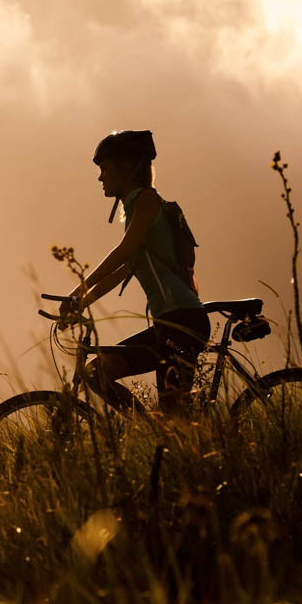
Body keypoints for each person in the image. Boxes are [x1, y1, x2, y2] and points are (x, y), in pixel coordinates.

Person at [60, 129, 208, 412]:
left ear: (125, 169)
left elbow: (123, 252)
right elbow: (125, 269)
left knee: (174, 417)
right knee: (95, 373)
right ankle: (149, 434)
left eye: (104, 168)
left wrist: (76, 291)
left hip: (182, 322)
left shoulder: (147, 201)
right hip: (170, 323)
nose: (100, 177)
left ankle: (171, 441)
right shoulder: (139, 208)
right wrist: (80, 304)